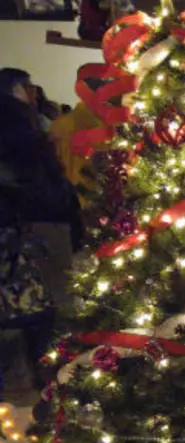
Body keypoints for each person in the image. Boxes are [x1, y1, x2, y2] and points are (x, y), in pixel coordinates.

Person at [0, 94, 79, 397]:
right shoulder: (46, 171)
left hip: (10, 302)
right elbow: (74, 228)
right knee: (48, 389)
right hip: (52, 293)